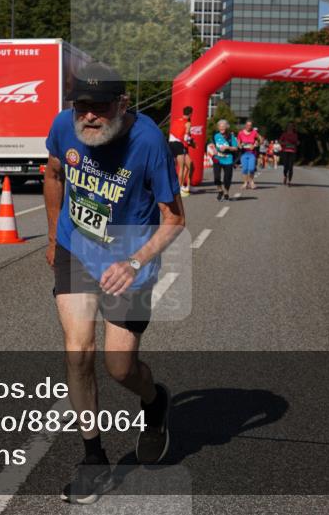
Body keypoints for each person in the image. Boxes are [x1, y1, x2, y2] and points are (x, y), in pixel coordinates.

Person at [44, 62, 184, 505]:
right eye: (80, 106)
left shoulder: (148, 143)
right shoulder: (63, 127)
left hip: (130, 255)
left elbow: (175, 219)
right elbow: (52, 175)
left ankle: (155, 400)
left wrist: (135, 260)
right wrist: (52, 236)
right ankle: (94, 461)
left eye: (99, 107)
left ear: (122, 105)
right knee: (78, 350)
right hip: (76, 247)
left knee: (119, 367)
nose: (88, 116)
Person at [168, 106, 195, 197]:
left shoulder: (176, 121)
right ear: (191, 113)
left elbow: (172, 132)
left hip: (171, 144)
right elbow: (186, 137)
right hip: (179, 144)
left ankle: (187, 186)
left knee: (190, 165)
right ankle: (179, 188)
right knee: (182, 167)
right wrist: (191, 143)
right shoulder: (187, 123)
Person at [212, 119, 238, 201]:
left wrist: (228, 147)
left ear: (227, 127)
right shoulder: (216, 135)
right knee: (216, 177)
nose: (222, 128)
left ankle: (226, 192)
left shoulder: (231, 136)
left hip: (228, 159)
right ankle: (220, 190)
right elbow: (212, 143)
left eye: (223, 127)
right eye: (220, 127)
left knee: (227, 178)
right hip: (218, 158)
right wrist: (214, 149)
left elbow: (235, 148)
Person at [236, 120, 261, 190]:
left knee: (251, 168)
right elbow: (238, 142)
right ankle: (245, 183)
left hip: (252, 153)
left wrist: (255, 145)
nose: (248, 126)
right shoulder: (240, 133)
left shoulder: (254, 132)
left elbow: (261, 139)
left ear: (251, 126)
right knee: (245, 169)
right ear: (245, 125)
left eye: (250, 125)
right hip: (243, 153)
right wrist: (239, 145)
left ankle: (251, 182)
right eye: (247, 125)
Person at [279, 122, 299, 186]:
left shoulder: (295, 135)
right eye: (289, 126)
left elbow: (296, 142)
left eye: (291, 126)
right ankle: (285, 176)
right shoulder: (284, 134)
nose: (290, 128)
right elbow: (280, 141)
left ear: (293, 128)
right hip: (285, 151)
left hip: (292, 152)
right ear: (287, 127)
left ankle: (289, 181)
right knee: (285, 167)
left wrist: (297, 143)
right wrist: (285, 143)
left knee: (290, 167)